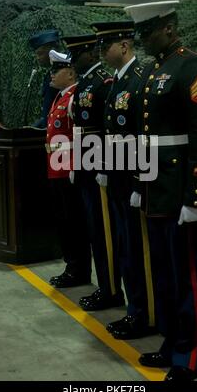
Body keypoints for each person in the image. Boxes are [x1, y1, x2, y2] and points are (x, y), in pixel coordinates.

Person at [125, 0, 197, 381]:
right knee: (164, 272)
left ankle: (191, 356)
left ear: (169, 27)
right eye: (140, 33)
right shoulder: (154, 70)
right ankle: (172, 342)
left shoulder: (191, 67)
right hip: (155, 187)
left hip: (180, 189)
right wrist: (137, 184)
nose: (143, 39)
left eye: (148, 32)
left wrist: (196, 198)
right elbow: (145, 136)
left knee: (189, 277)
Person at [91, 21, 157, 339]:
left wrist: (139, 182)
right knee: (125, 250)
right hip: (118, 179)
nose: (103, 52)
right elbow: (111, 133)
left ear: (125, 46)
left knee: (137, 250)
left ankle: (144, 315)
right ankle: (135, 311)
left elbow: (144, 136)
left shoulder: (139, 80)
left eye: (108, 46)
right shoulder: (116, 81)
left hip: (133, 181)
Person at [61, 33, 125, 311]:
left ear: (90, 54)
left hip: (98, 166)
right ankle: (104, 285)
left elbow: (108, 129)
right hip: (86, 165)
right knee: (93, 230)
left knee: (103, 231)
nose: (74, 61)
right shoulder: (86, 83)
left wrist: (103, 167)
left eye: (78, 55)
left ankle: (111, 289)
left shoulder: (102, 83)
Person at [47, 50, 91, 288]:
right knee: (64, 221)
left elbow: (79, 136)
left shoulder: (75, 97)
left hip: (68, 171)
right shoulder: (60, 97)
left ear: (71, 72)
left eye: (57, 70)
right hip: (56, 168)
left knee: (74, 223)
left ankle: (79, 270)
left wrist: (74, 166)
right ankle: (71, 266)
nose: (51, 75)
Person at [29, 30, 61, 128]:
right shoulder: (50, 74)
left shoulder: (60, 74)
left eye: (40, 53)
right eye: (36, 54)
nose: (38, 58)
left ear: (52, 52)